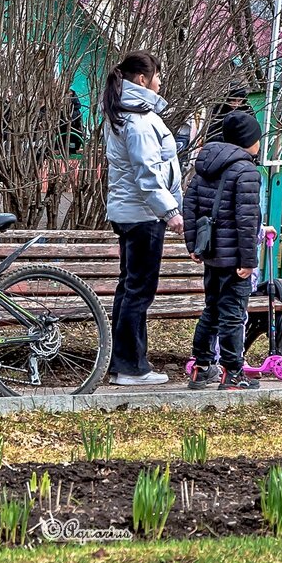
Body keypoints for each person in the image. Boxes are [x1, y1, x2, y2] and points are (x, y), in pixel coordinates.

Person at [102, 51, 183, 387]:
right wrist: (171, 212)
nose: (160, 82)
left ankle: (123, 362)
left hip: (131, 212)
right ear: (142, 79)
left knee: (130, 288)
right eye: (157, 76)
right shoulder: (137, 122)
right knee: (139, 291)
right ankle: (131, 367)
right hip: (143, 215)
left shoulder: (126, 113)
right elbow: (148, 175)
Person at [183, 111, 267, 390]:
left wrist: (194, 244)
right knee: (233, 314)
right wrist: (249, 260)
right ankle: (233, 372)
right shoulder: (246, 171)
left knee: (212, 310)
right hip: (235, 259)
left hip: (211, 253)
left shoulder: (206, 165)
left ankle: (202, 367)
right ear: (248, 140)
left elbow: (190, 206)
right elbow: (247, 220)